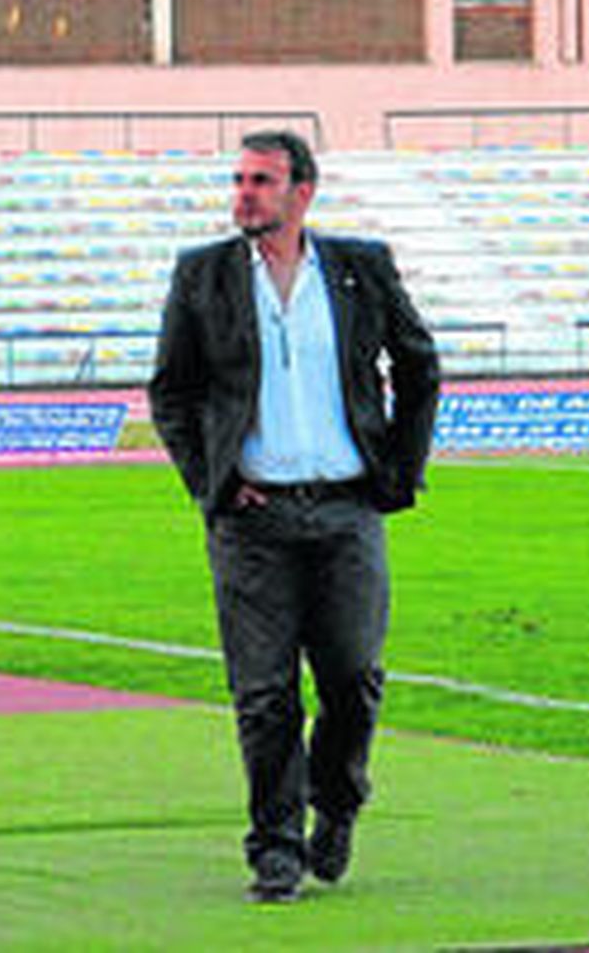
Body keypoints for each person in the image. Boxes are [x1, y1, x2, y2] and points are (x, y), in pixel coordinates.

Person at [148, 130, 440, 904]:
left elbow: (419, 363)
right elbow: (170, 391)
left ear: (302, 192)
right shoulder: (203, 275)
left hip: (346, 511)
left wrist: (399, 471)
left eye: (262, 180)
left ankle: (336, 806)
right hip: (252, 522)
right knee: (265, 692)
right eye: (239, 179)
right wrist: (211, 478)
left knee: (353, 677)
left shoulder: (359, 268)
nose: (244, 192)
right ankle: (275, 847)